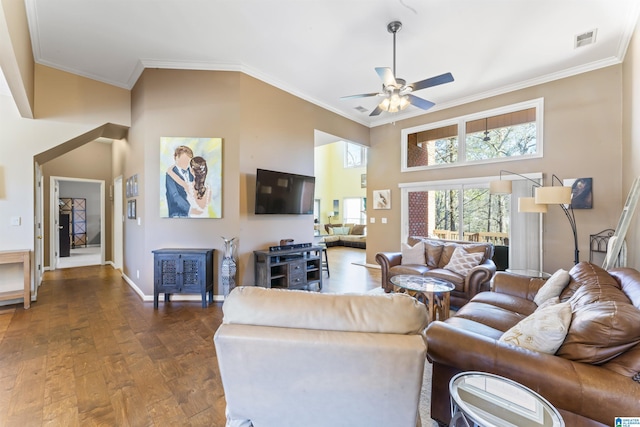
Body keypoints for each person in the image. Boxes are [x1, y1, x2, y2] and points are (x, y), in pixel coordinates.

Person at [165, 145, 193, 217]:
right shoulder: (170, 174)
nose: (186, 163)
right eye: (184, 159)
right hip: (178, 214)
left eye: (188, 160)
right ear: (176, 158)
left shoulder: (192, 172)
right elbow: (175, 196)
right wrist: (190, 209)